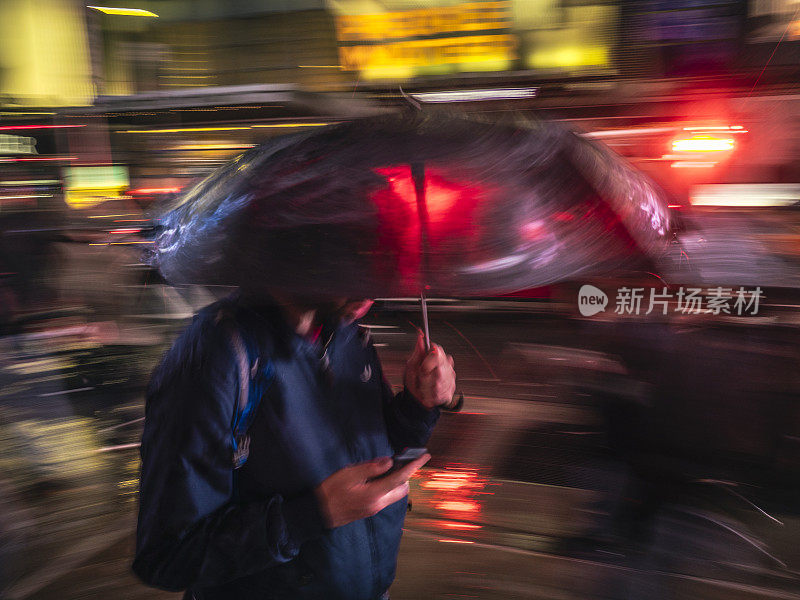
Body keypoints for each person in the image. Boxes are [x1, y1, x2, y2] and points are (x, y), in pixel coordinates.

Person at [133, 293, 457, 599]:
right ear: (299, 244)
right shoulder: (215, 355)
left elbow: (374, 455)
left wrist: (418, 406)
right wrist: (312, 515)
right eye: (350, 256)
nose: (370, 291)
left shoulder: (348, 334)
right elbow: (167, 557)